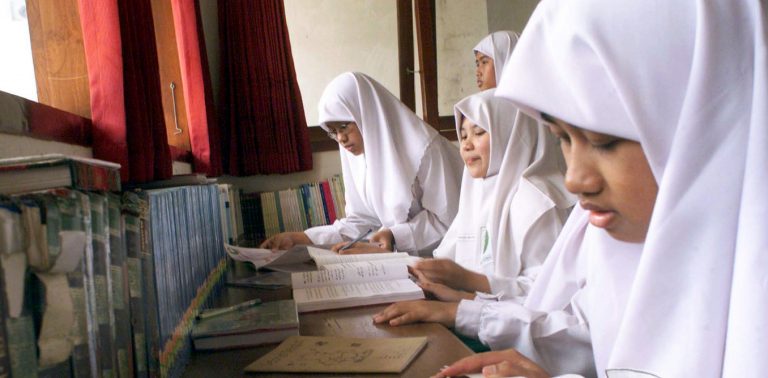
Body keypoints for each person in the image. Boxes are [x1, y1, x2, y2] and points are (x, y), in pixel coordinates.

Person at [435, 0, 767, 377]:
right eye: (562, 138)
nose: (575, 179)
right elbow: (589, 331)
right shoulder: (617, 234)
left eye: (604, 142)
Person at [373, 89, 573, 323]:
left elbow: (547, 295)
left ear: (511, 136)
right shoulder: (476, 188)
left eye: (479, 133)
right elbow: (446, 258)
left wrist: (467, 283)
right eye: (463, 135)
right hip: (474, 316)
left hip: (515, 336)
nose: (466, 145)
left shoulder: (539, 200)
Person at [261, 72, 464, 256]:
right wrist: (301, 239)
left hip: (444, 262)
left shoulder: (426, 149)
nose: (340, 138)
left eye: (343, 126)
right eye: (333, 132)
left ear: (366, 114)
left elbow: (450, 221)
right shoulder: (362, 156)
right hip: (400, 261)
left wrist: (394, 236)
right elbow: (361, 223)